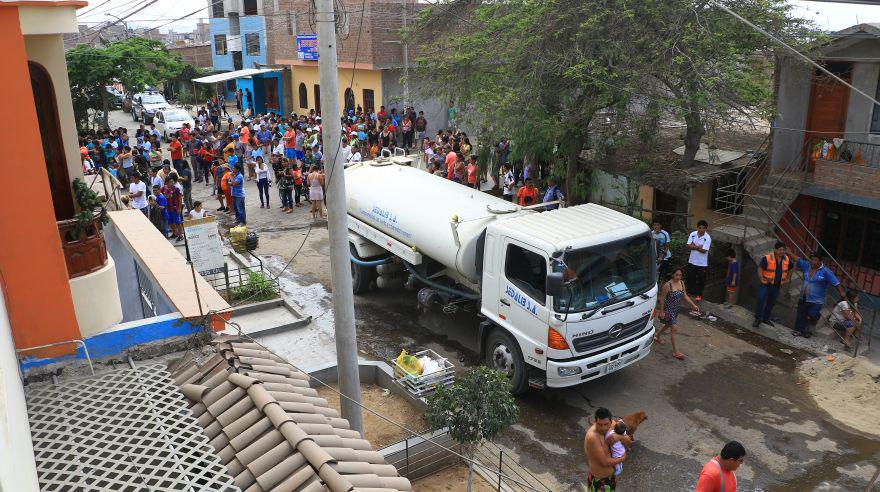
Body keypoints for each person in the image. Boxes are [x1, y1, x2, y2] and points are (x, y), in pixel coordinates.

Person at [793, 252, 845, 338]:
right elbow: (798, 260)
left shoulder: (826, 271)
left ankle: (811, 325)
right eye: (812, 260)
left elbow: (836, 282)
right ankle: (799, 330)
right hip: (804, 297)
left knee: (812, 314)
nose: (813, 262)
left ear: (820, 261)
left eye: (815, 260)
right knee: (801, 314)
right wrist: (789, 253)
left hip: (816, 300)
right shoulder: (807, 266)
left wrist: (841, 292)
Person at [654, 268, 701, 360]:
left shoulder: (682, 283)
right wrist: (661, 311)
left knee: (668, 325)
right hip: (668, 309)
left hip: (676, 309)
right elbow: (662, 298)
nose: (678, 277)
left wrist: (693, 305)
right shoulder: (668, 285)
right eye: (677, 275)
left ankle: (657, 335)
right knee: (674, 328)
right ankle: (676, 352)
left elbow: (685, 295)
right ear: (673, 275)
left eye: (680, 275)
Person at [753, 241, 795, 328]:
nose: (782, 252)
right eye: (780, 250)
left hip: (776, 284)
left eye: (783, 250)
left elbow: (791, 267)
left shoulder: (786, 259)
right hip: (766, 283)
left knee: (771, 302)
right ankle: (758, 318)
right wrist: (761, 278)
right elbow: (760, 268)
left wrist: (787, 278)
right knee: (761, 298)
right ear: (775, 250)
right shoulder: (768, 258)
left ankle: (766, 318)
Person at [584, 407, 628, 491]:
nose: (603, 428)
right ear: (595, 422)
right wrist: (623, 458)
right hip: (600, 481)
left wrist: (620, 436)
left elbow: (629, 441)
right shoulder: (592, 437)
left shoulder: (613, 426)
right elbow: (605, 462)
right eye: (600, 424)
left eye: (606, 424)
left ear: (611, 422)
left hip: (611, 477)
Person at [686, 220, 712, 302]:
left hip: (702, 263)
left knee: (701, 280)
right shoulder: (693, 234)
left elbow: (704, 251)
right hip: (692, 261)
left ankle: (699, 295)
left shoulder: (707, 238)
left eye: (703, 228)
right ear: (697, 228)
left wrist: (694, 246)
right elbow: (688, 245)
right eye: (700, 228)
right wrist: (698, 247)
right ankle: (691, 293)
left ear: (706, 229)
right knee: (690, 278)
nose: (701, 230)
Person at [162, 176, 183, 241]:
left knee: (178, 222)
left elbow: (180, 198)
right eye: (171, 182)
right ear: (166, 183)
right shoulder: (162, 189)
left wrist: (179, 208)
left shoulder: (176, 189)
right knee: (170, 222)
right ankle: (175, 233)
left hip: (175, 208)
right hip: (167, 208)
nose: (172, 183)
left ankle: (180, 235)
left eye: (173, 181)